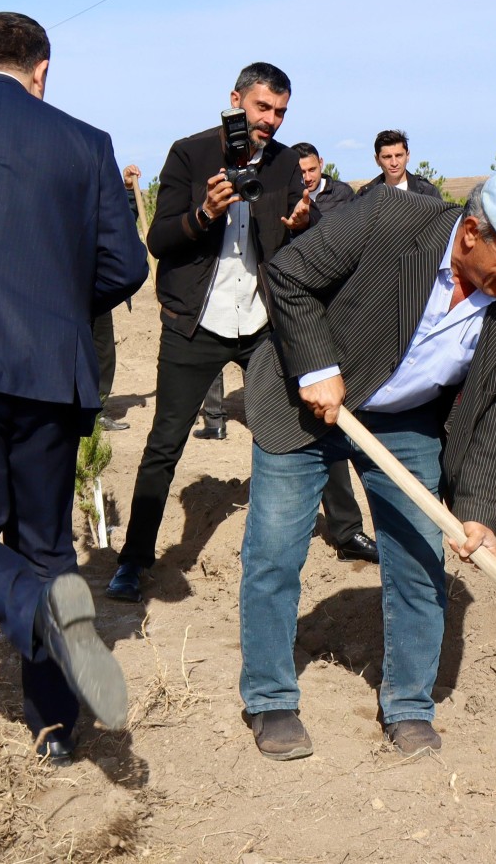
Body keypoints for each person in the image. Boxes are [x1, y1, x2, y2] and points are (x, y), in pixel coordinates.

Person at [237, 168, 496, 761]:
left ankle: (410, 704)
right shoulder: (388, 216)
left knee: (419, 561)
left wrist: (480, 512)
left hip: (405, 420)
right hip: (306, 401)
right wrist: (316, 367)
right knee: (276, 552)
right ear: (471, 234)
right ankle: (270, 697)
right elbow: (288, 277)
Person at [0, 12, 148, 761]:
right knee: (45, 542)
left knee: (17, 560)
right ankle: (56, 727)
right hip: (51, 370)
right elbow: (126, 268)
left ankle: (31, 602)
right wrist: (54, 306)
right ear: (41, 69)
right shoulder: (85, 144)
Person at [107, 63, 310, 603]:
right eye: (263, 107)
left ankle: (340, 527)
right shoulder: (190, 153)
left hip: (261, 321)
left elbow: (289, 239)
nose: (271, 120)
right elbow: (159, 239)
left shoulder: (286, 160)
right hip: (195, 323)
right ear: (235, 99)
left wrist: (301, 224)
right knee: (164, 445)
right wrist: (204, 213)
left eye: (281, 111)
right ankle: (134, 560)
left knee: (303, 422)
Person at [290, 141, 377, 562]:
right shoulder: (280, 193)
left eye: (310, 169)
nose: (305, 176)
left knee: (350, 422)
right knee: (312, 427)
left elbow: (342, 245)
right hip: (294, 315)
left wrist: (311, 218)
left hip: (340, 316)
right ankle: (338, 528)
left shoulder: (342, 195)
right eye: (299, 170)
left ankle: (352, 529)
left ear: (320, 166)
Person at [91, 163, 146, 433]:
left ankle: (96, 411)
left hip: (95, 289)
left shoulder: (98, 202)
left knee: (102, 352)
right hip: (69, 289)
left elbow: (121, 226)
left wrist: (126, 190)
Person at [357, 129, 442, 199]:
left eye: (398, 156)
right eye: (387, 157)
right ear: (377, 160)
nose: (394, 163)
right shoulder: (365, 195)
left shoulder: (428, 192)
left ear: (407, 156)